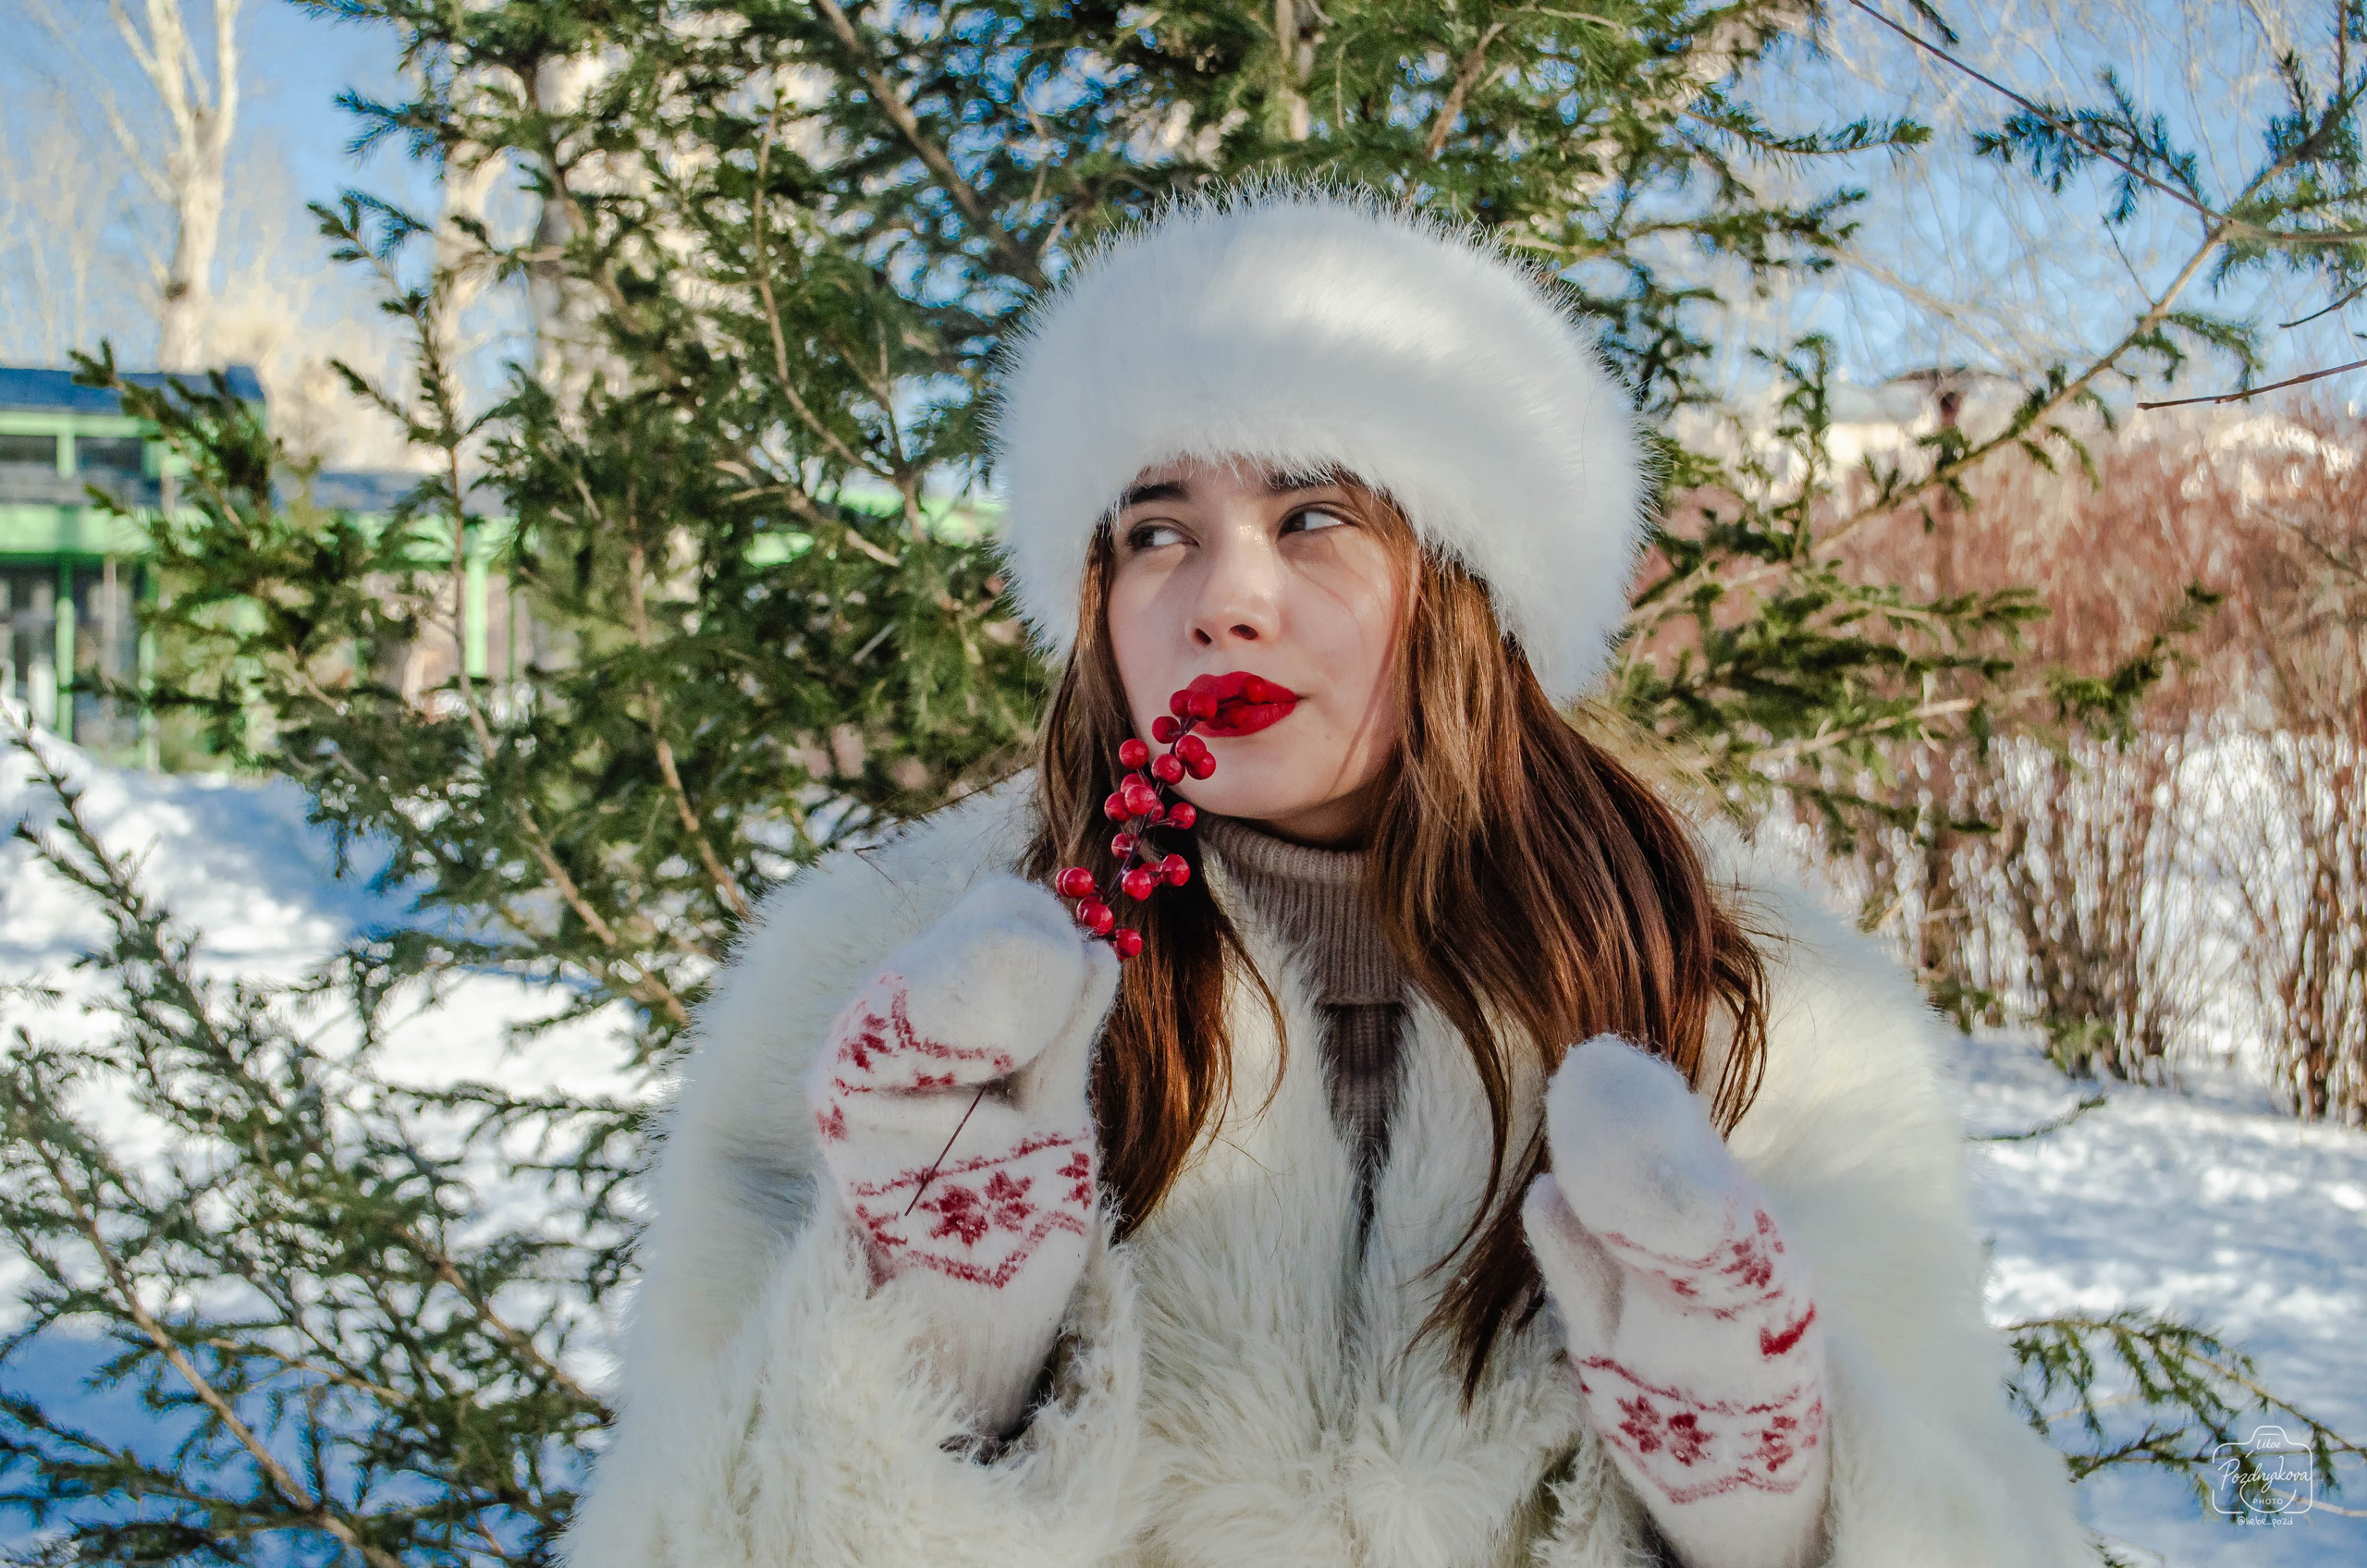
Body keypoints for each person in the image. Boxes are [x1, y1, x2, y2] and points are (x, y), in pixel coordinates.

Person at [558, 188, 2100, 1567]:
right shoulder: (894, 994)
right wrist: (934, 1352)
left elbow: (1974, 1518)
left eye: (1313, 519)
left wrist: (1771, 1495)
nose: (1227, 599)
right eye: (1157, 532)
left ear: (1467, 590)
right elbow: (685, 1531)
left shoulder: (1760, 1022)